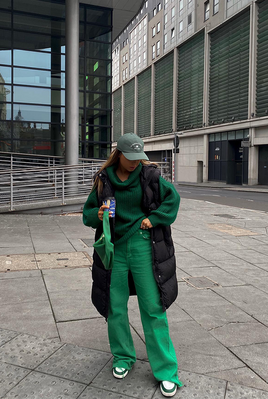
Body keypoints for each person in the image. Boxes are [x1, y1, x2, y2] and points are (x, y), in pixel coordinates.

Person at [82, 133, 183, 397]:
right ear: (119, 154)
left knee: (152, 306)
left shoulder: (149, 176)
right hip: (113, 248)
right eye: (131, 158)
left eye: (140, 158)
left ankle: (166, 370)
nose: (135, 163)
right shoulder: (103, 180)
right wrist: (98, 214)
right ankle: (123, 357)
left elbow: (173, 199)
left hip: (142, 245)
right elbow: (87, 214)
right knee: (115, 306)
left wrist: (156, 218)